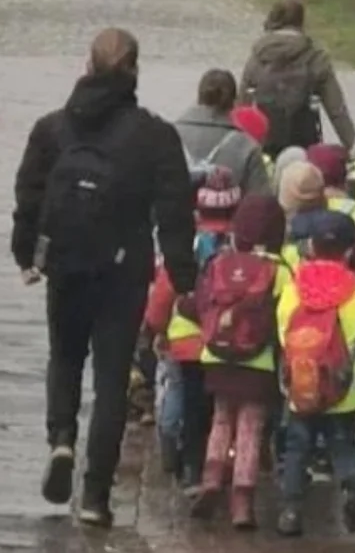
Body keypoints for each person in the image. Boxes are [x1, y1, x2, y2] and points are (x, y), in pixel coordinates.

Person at [10, 27, 197, 528]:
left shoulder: (52, 129)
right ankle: (95, 497)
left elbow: (29, 194)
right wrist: (184, 276)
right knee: (112, 380)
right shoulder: (155, 136)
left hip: (66, 264)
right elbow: (176, 212)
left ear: (86, 66)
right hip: (124, 269)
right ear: (135, 70)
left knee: (65, 357)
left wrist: (25, 253)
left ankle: (62, 440)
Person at [276, 209, 355, 537]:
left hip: (301, 385)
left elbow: (282, 334)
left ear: (310, 246)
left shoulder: (293, 289)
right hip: (344, 391)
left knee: (297, 447)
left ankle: (291, 511)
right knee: (343, 444)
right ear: (349, 250)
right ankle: (353, 487)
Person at [189, 194, 292, 530]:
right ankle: (242, 501)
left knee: (221, 419)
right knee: (250, 426)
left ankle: (211, 480)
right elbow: (287, 319)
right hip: (258, 362)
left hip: (217, 356)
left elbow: (200, 306)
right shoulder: (279, 271)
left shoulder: (219, 262)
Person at [143, 165, 237, 490]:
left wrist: (154, 326)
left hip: (187, 341)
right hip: (230, 340)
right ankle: (222, 466)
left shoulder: (188, 242)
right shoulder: (242, 244)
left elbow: (166, 289)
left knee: (184, 398)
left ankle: (185, 462)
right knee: (220, 408)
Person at [240, 0, 355, 156]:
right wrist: (354, 149)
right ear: (301, 23)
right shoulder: (316, 57)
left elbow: (241, 108)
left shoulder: (258, 57)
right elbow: (337, 111)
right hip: (304, 146)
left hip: (266, 145)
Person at [174, 69, 271, 198]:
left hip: (175, 216)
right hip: (229, 217)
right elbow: (259, 203)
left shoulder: (168, 135)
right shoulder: (247, 147)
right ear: (234, 102)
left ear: (199, 97)